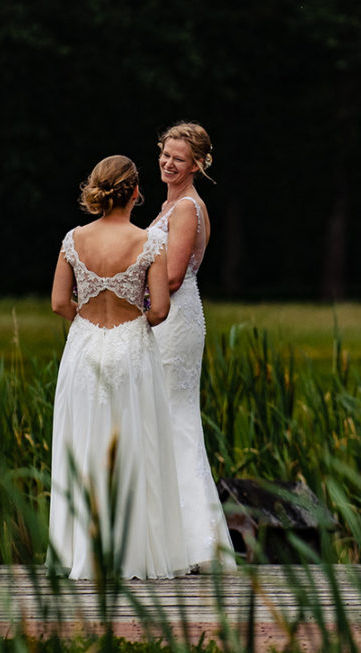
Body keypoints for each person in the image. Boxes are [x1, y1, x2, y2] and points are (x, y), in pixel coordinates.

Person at [47, 155, 195, 580]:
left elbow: (59, 303)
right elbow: (161, 309)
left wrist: (87, 323)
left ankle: (82, 553)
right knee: (137, 446)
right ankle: (134, 554)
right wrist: (134, 324)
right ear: (134, 192)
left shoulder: (74, 239)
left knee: (82, 443)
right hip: (132, 348)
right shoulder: (148, 243)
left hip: (84, 347)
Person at [148, 122, 237, 572]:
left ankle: (194, 544)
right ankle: (176, 539)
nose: (168, 163)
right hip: (167, 317)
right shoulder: (170, 205)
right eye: (165, 154)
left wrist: (123, 295)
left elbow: (172, 276)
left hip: (175, 319)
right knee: (165, 420)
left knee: (174, 420)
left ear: (197, 164)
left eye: (178, 158)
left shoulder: (186, 208)